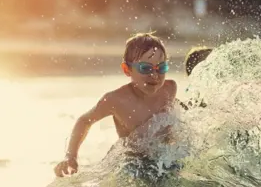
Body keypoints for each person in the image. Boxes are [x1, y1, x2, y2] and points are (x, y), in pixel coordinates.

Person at [54, 33, 177, 178]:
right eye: (145, 68)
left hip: (166, 159)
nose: (154, 76)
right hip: (134, 164)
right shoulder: (116, 100)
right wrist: (71, 156)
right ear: (127, 70)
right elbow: (84, 120)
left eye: (161, 68)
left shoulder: (169, 89)